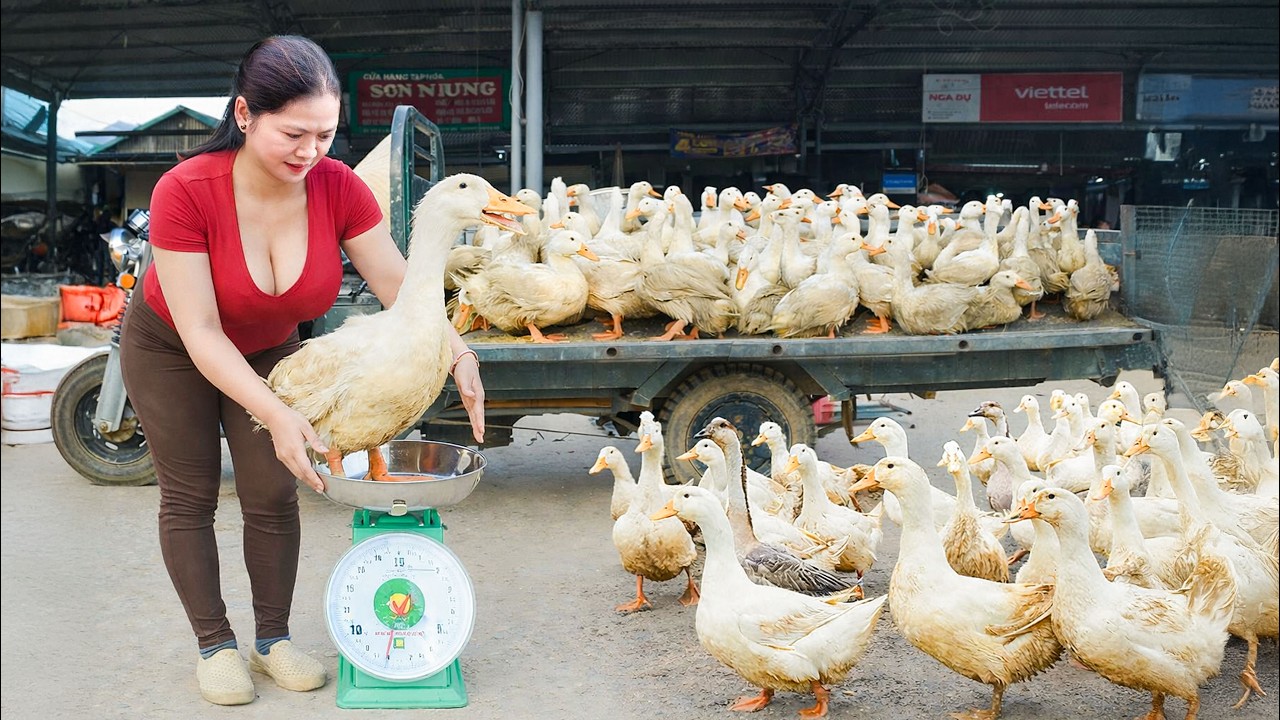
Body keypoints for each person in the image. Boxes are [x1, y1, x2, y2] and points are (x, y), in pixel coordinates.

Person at [119, 35, 485, 706]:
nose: (309, 152)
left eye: (324, 134)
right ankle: (214, 645)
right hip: (173, 346)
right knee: (191, 495)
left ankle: (271, 640)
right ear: (243, 115)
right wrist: (277, 414)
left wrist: (458, 351)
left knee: (272, 492)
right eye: (293, 133)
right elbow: (202, 331)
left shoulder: (337, 187)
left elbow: (403, 286)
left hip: (270, 346)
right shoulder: (184, 192)